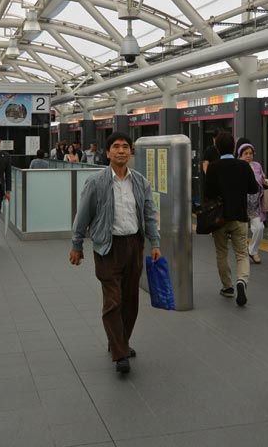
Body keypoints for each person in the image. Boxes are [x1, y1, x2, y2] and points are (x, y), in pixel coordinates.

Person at [69, 132, 161, 375]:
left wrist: (155, 243)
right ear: (108, 153)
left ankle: (119, 341)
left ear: (130, 152)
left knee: (130, 302)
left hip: (134, 245)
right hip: (107, 247)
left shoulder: (140, 181)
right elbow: (83, 215)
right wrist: (76, 245)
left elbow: (150, 214)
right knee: (113, 301)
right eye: (116, 147)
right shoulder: (96, 181)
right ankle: (120, 354)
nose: (121, 151)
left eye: (125, 147)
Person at [204, 132, 259, 306]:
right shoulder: (243, 166)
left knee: (222, 253)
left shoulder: (213, 167)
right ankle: (242, 281)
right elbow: (253, 189)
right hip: (240, 217)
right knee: (242, 253)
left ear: (218, 148)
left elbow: (208, 193)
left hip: (219, 218)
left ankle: (227, 287)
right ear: (234, 148)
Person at [237, 143, 268, 264]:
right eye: (245, 153)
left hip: (256, 205)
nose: (248, 156)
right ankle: (243, 254)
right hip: (241, 204)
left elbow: (263, 180)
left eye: (250, 153)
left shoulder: (257, 166)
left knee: (259, 228)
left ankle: (252, 250)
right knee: (241, 232)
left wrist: (265, 182)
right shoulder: (237, 166)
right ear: (240, 155)